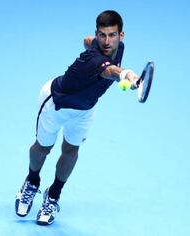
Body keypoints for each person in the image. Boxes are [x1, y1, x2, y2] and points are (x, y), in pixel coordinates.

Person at [15, 10, 140, 225]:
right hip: (56, 102)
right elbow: (110, 71)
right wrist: (126, 75)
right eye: (102, 35)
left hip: (84, 109)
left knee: (71, 151)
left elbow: (86, 41)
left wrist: (92, 43)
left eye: (112, 35)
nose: (107, 41)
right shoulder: (93, 59)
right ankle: (31, 181)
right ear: (97, 33)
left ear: (122, 35)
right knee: (43, 148)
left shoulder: (108, 46)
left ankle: (53, 194)